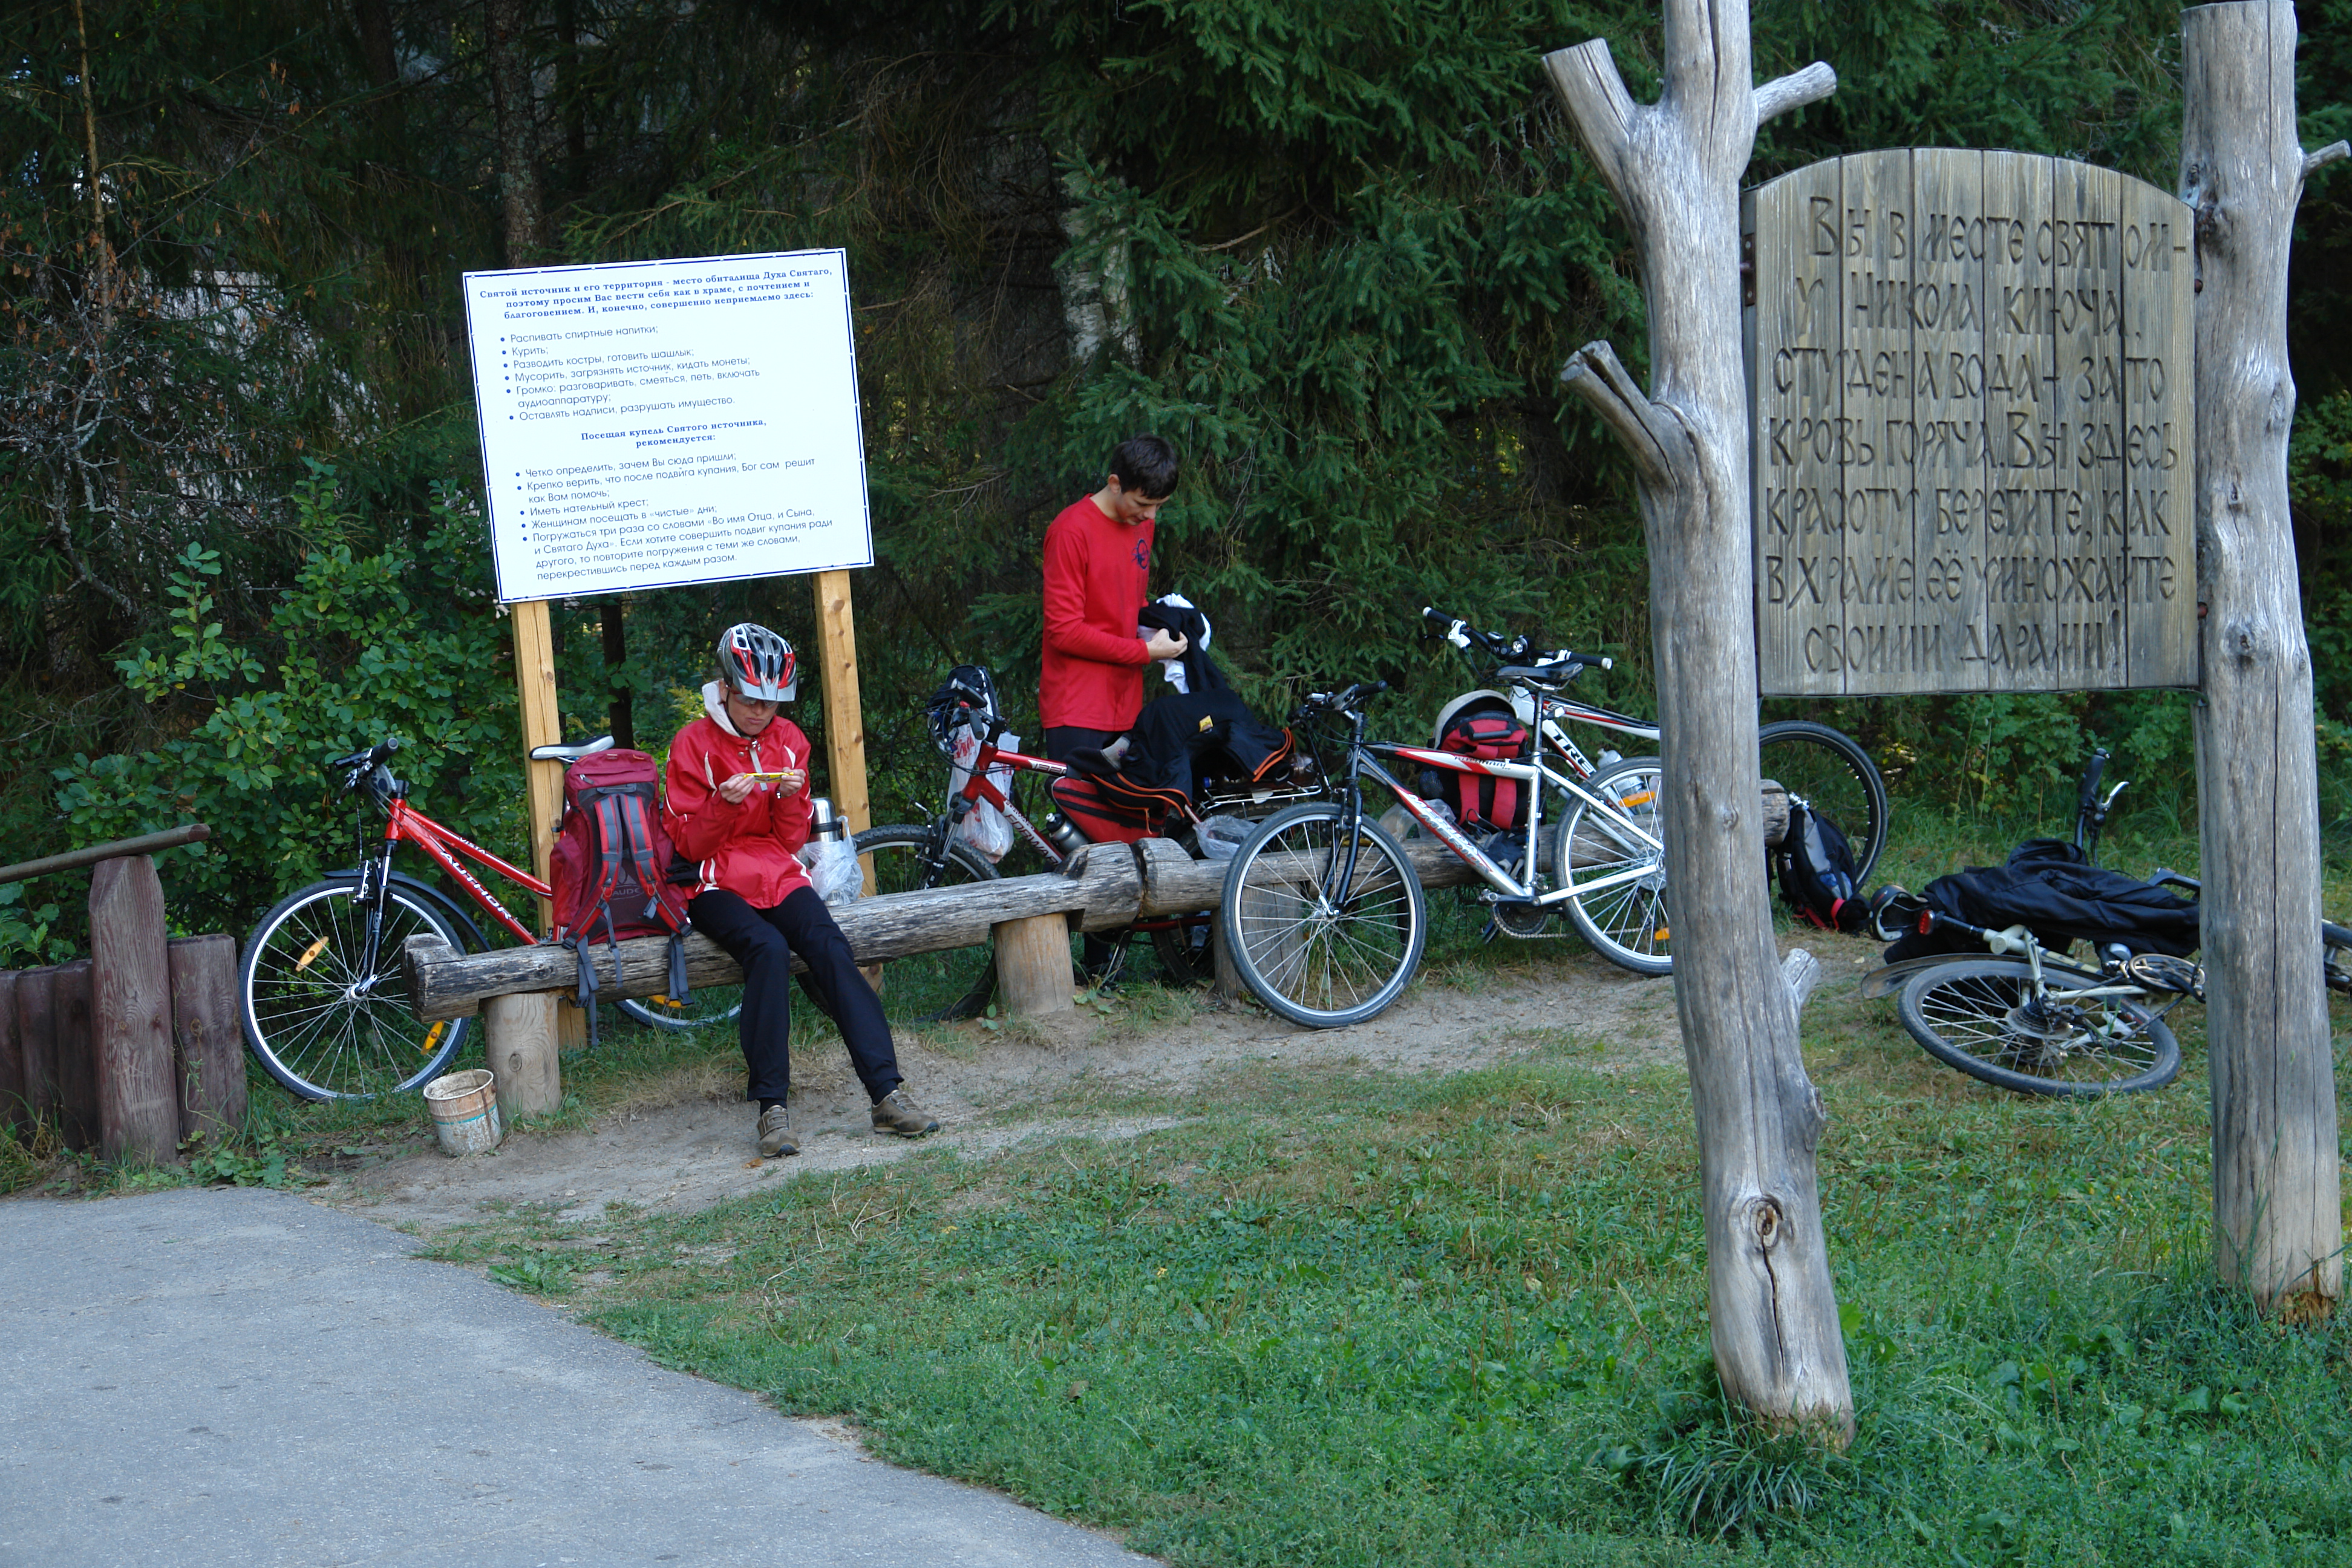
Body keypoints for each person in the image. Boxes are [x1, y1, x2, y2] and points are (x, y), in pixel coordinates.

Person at [664, 622, 939, 1157]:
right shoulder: (691, 744)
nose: (760, 712)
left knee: (830, 945)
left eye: (771, 703)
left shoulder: (790, 741)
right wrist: (721, 805)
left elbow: (790, 840)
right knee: (766, 950)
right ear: (725, 688)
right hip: (713, 882)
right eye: (750, 700)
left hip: (779, 872)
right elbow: (691, 846)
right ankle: (772, 1108)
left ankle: (887, 1094)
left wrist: (792, 799)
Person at [1040, 434, 1189, 981]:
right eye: (1142, 504)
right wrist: (1144, 653)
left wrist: (1160, 625)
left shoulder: (1142, 525)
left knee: (1121, 835)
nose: (1149, 517)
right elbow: (1063, 630)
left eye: (1158, 507)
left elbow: (1126, 604)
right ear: (1114, 483)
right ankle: (1061, 969)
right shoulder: (1070, 530)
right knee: (1081, 842)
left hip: (1126, 700)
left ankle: (1104, 967)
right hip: (1076, 704)